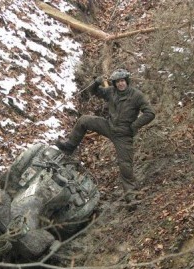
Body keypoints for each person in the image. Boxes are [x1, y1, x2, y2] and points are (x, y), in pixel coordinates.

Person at [55, 68, 155, 205]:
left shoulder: (137, 95)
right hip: (108, 126)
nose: (121, 84)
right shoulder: (111, 92)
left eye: (122, 81)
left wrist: (134, 126)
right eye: (118, 82)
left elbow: (150, 113)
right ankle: (69, 146)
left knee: (125, 165)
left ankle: (131, 196)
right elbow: (94, 91)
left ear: (127, 81)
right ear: (114, 83)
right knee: (84, 120)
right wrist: (96, 83)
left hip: (124, 135)